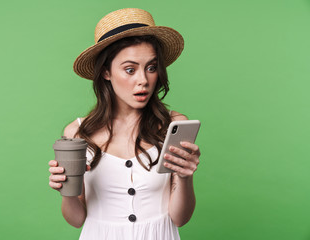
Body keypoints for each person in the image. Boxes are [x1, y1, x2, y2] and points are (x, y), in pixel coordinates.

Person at [48, 8, 201, 240]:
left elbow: (180, 218)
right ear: (106, 72)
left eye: (151, 68)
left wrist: (185, 176)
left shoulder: (174, 125)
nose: (143, 80)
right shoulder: (78, 132)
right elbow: (76, 219)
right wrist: (66, 192)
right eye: (130, 69)